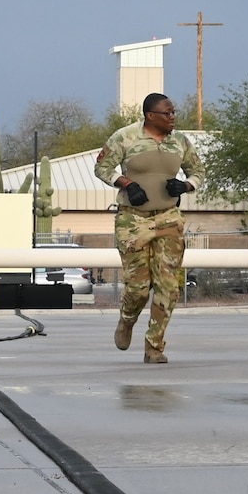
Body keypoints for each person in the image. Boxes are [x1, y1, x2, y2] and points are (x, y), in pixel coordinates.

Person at [96, 93, 205, 364]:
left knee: (168, 286)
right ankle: (127, 321)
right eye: (167, 113)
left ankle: (154, 345)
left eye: (173, 112)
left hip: (168, 218)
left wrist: (186, 185)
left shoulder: (180, 141)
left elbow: (199, 172)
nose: (172, 117)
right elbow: (102, 167)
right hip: (133, 221)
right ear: (150, 116)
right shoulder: (125, 137)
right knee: (139, 288)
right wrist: (127, 184)